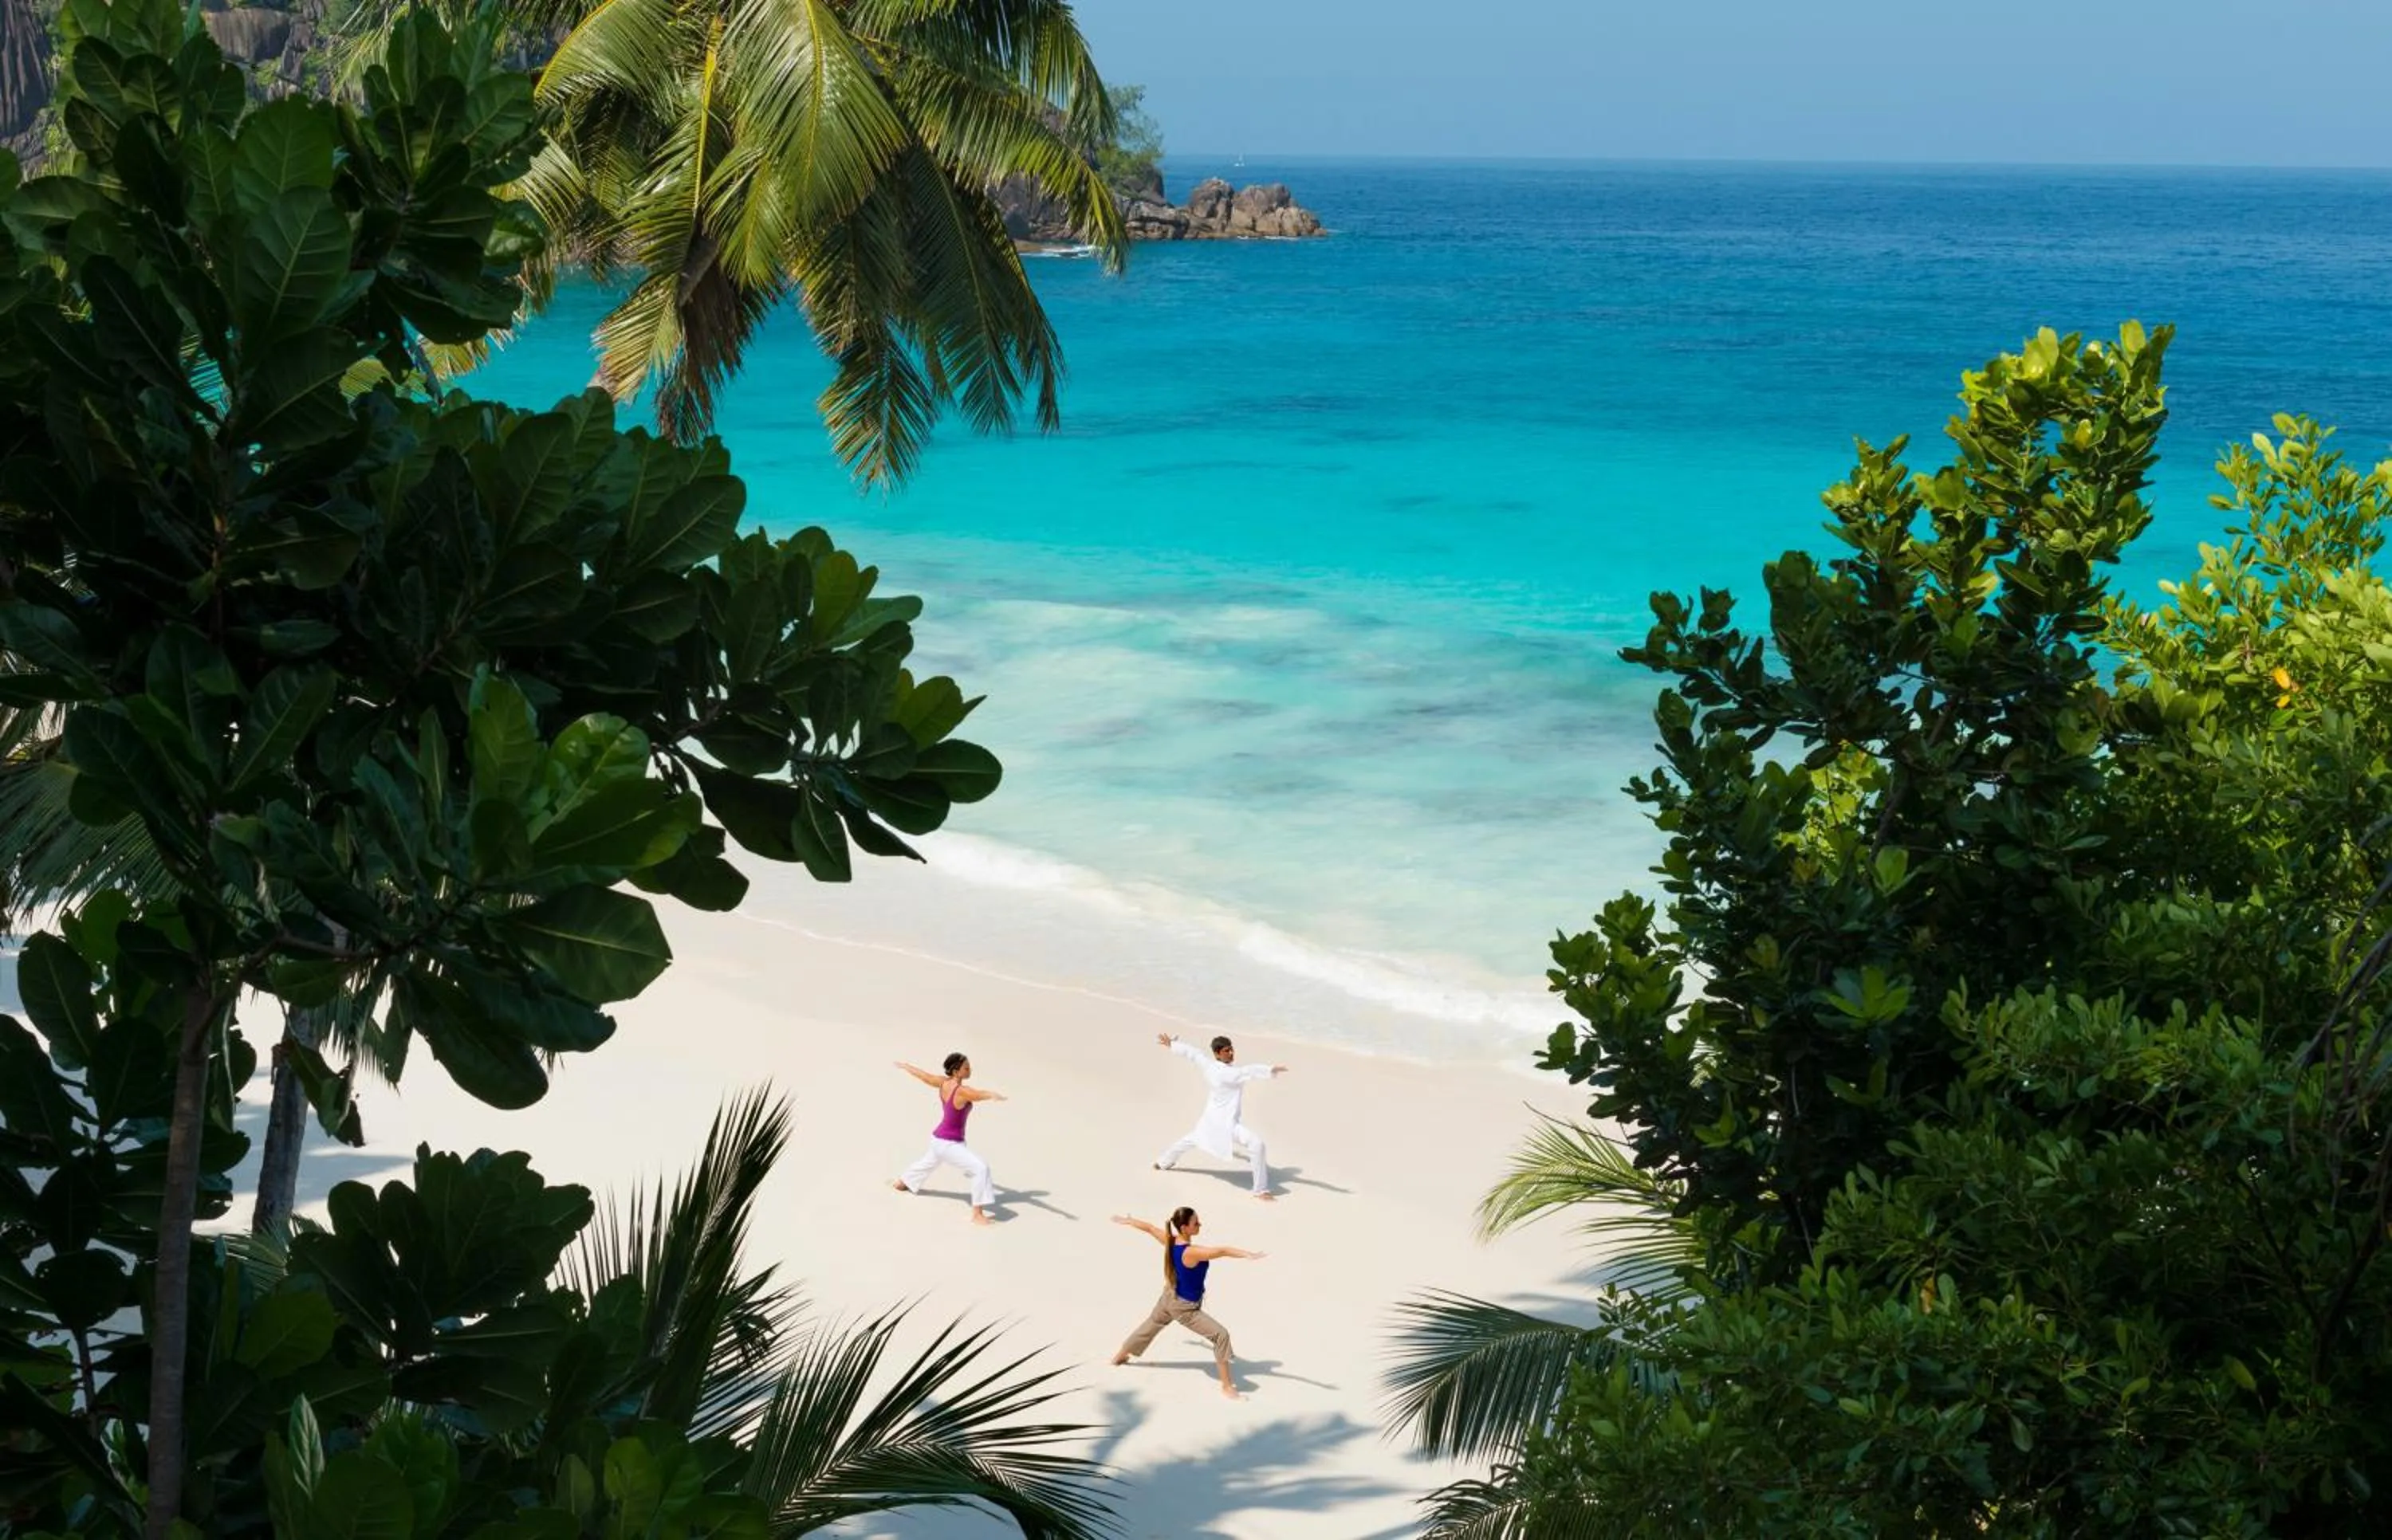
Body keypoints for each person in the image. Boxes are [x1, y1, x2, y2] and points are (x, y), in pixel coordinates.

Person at [1109, 1207, 1265, 1399]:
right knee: (1221, 1335)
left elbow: (1149, 1228)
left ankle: (1119, 1356)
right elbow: (1222, 1250)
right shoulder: (1192, 1252)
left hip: (1169, 1297)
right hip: (1184, 1308)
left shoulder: (1170, 1240)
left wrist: (1129, 1221)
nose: (1200, 1225)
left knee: (1150, 1325)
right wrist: (1248, 1254)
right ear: (1184, 1228)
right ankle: (1226, 1387)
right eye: (1196, 1223)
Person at [1152, 1033, 1286, 1200]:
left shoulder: (1209, 1065)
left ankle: (1163, 1162)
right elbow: (1246, 1072)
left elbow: (1194, 1054)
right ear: (1217, 1054)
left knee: (1189, 1140)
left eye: (1231, 1049)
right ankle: (1260, 1190)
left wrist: (1173, 1045)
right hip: (1226, 1125)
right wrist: (1269, 1069)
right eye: (1226, 1051)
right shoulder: (1227, 1074)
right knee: (1257, 1144)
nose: (1231, 1053)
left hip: (1210, 1121)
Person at [891, 1053, 1005, 1226]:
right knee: (981, 1168)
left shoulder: (942, 1083)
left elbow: (924, 1076)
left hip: (938, 1140)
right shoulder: (962, 1091)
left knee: (928, 1163)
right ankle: (977, 1214)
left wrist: (908, 1067)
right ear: (956, 1071)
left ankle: (902, 1182)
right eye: (966, 1068)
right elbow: (978, 1094)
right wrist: (992, 1094)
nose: (970, 1070)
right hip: (948, 1144)